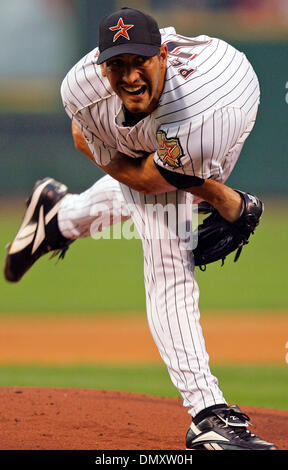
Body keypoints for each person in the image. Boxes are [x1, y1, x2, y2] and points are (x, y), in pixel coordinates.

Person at [4, 7, 277, 450]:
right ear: (100, 64)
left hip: (227, 104)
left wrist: (230, 201)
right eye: (118, 64)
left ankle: (59, 218)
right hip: (192, 117)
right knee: (169, 255)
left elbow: (161, 179)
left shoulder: (202, 119)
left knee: (170, 189)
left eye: (140, 61)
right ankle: (207, 413)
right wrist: (236, 207)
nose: (129, 76)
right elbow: (90, 142)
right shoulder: (80, 88)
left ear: (163, 55)